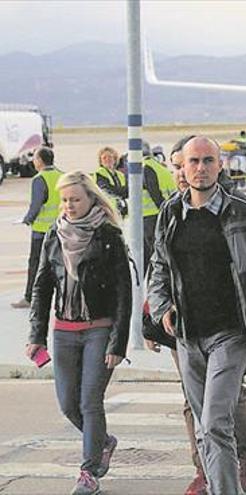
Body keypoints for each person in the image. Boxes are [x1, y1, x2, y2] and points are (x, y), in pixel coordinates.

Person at [147, 136, 246, 495]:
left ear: (220, 165)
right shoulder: (171, 213)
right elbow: (158, 268)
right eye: (193, 161)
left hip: (231, 330)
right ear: (182, 166)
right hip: (188, 333)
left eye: (208, 160)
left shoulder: (242, 212)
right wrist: (162, 308)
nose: (200, 168)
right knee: (203, 426)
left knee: (214, 423)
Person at [27, 171, 130, 495]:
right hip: (64, 331)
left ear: (90, 199)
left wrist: (118, 343)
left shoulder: (108, 235)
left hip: (99, 329)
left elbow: (123, 294)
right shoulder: (54, 236)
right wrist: (36, 335)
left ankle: (88, 473)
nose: (69, 205)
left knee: (89, 402)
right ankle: (102, 442)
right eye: (66, 200)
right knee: (67, 405)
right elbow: (42, 287)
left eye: (76, 199)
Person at [12, 147, 63, 309]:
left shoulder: (39, 179)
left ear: (40, 161)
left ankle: (29, 297)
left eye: (35, 158)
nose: (33, 161)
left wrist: (27, 220)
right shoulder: (62, 175)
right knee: (60, 264)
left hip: (41, 231)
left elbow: (36, 205)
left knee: (36, 264)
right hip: (61, 229)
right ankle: (62, 298)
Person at [92, 147, 127, 217]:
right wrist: (122, 192)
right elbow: (107, 191)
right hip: (107, 211)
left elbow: (127, 191)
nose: (107, 159)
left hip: (121, 210)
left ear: (115, 159)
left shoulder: (120, 175)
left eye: (110, 157)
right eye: (104, 158)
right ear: (101, 162)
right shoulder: (100, 173)